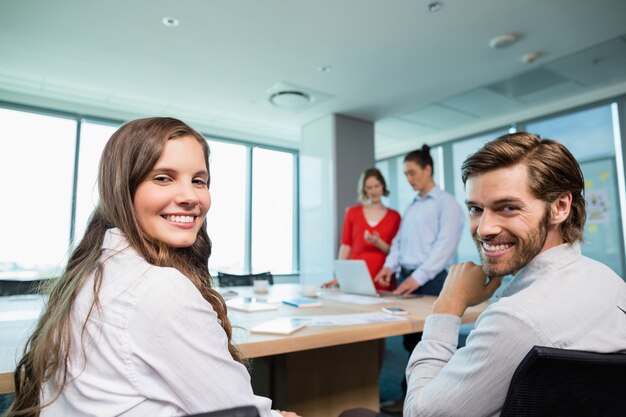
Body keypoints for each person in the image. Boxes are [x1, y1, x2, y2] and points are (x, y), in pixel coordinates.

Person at [5, 118, 299, 417]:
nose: (190, 197)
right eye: (163, 178)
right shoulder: (159, 289)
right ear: (122, 189)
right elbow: (243, 412)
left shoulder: (93, 272)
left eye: (199, 180)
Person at [402, 132, 626, 416]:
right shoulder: (610, 281)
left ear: (560, 207)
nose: (484, 229)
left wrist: (448, 305)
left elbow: (419, 414)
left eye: (507, 208)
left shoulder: (516, 319)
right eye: (475, 209)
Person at [374, 145, 464, 413]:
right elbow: (399, 243)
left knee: (435, 341)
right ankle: (412, 396)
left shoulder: (447, 204)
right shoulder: (411, 206)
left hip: (432, 280)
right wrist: (390, 266)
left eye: (412, 172)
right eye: (405, 174)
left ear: (428, 169)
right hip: (407, 277)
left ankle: (440, 401)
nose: (409, 179)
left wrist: (418, 277)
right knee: (411, 341)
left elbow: (444, 247)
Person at [323, 168, 401, 290]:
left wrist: (377, 242)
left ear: (383, 186)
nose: (374, 191)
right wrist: (340, 274)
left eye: (377, 186)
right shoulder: (353, 212)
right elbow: (346, 245)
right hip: (356, 277)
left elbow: (395, 251)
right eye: (369, 187)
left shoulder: (394, 216)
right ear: (364, 189)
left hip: (382, 278)